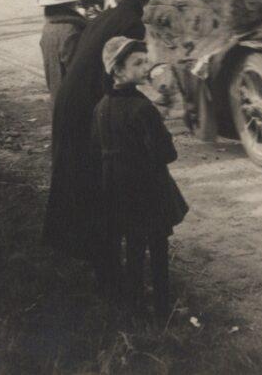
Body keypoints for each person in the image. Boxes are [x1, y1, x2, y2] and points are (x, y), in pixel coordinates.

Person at [43, 0, 160, 293]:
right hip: (85, 107)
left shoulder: (109, 14)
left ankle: (96, 262)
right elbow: (118, 76)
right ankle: (105, 272)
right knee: (95, 184)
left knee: (78, 179)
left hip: (70, 100)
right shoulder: (132, 24)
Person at [94, 36, 188, 320]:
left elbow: (98, 146)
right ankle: (162, 308)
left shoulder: (102, 107)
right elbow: (166, 154)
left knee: (134, 246)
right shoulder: (142, 109)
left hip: (119, 191)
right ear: (118, 71)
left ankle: (134, 305)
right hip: (149, 190)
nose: (146, 66)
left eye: (146, 60)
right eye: (138, 62)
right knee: (158, 247)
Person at [38, 0, 98, 105]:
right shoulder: (72, 32)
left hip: (58, 99)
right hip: (75, 104)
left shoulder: (49, 26)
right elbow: (80, 76)